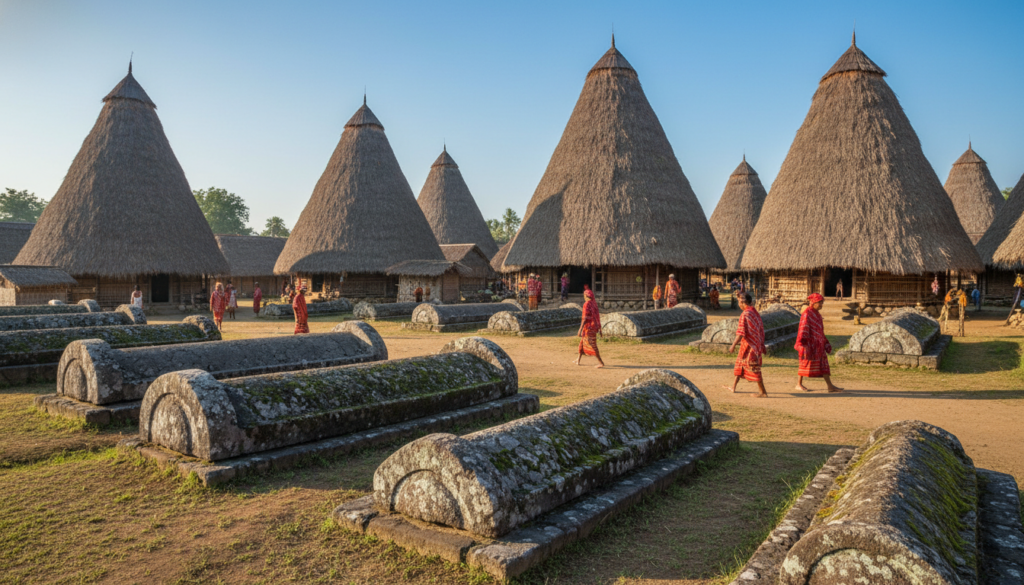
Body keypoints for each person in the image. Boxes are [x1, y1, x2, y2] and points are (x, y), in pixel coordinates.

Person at [795, 293, 842, 393]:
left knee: (823, 363)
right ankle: (799, 384)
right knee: (804, 362)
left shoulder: (817, 314)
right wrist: (802, 342)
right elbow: (803, 328)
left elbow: (820, 330)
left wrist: (825, 342)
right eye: (820, 303)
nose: (821, 305)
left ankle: (830, 386)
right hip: (809, 344)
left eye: (822, 303)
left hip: (818, 344)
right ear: (813, 302)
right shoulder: (807, 313)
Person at [726, 293, 767, 398]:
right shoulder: (754, 312)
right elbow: (761, 328)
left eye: (739, 302)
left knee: (753, 367)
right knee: (740, 364)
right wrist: (761, 343)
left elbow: (740, 333)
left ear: (742, 302)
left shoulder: (745, 314)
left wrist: (733, 345)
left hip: (750, 346)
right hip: (753, 344)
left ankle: (763, 392)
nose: (738, 304)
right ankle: (733, 386)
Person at [576, 287, 604, 368]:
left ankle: (601, 362)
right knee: (582, 343)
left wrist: (580, 329)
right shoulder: (594, 304)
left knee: (592, 345)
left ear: (586, 296)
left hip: (588, 328)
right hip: (593, 327)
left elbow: (584, 318)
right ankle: (578, 360)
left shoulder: (586, 304)